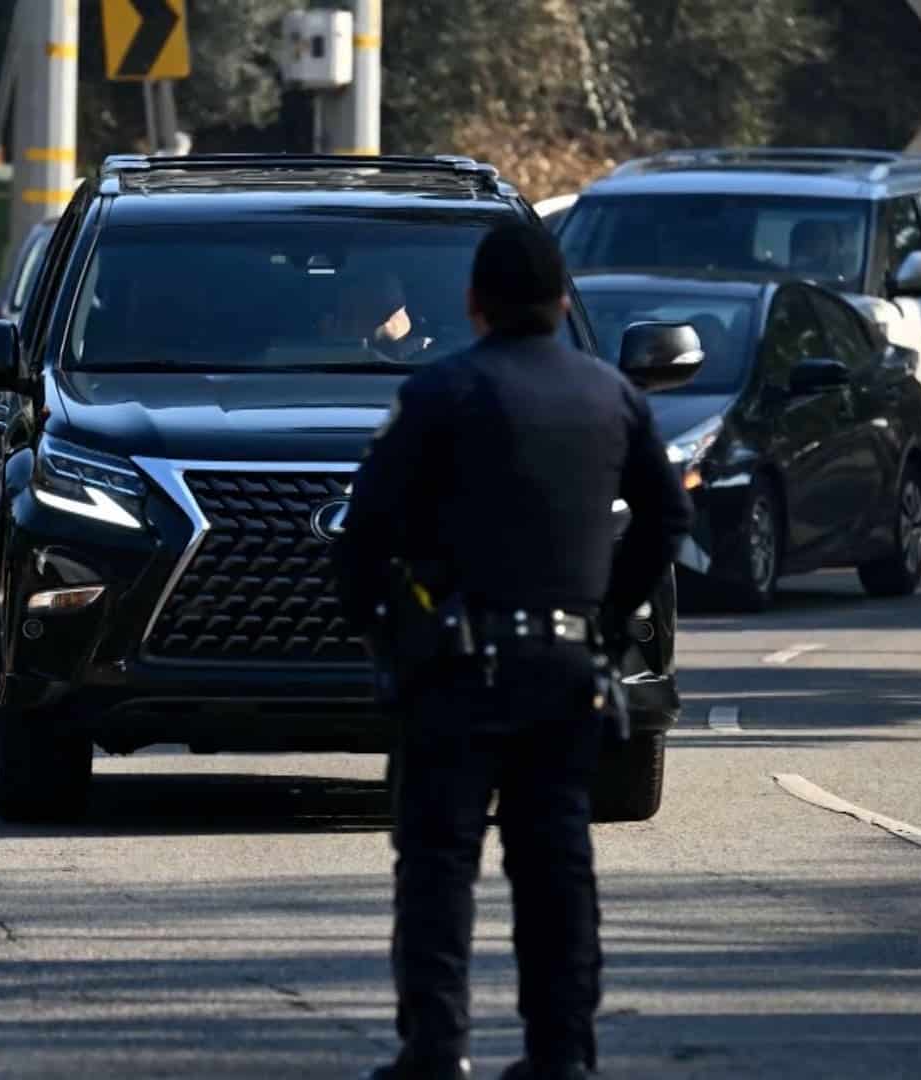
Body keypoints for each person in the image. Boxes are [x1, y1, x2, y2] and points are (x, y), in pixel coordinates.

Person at [333, 222, 692, 1080]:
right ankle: (561, 1054)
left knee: (439, 865)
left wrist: (387, 634)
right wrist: (607, 619)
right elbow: (668, 517)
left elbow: (363, 533)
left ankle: (435, 1050)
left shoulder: (440, 393)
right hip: (566, 673)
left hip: (456, 671)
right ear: (563, 302)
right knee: (556, 866)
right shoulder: (611, 396)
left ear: (473, 304)